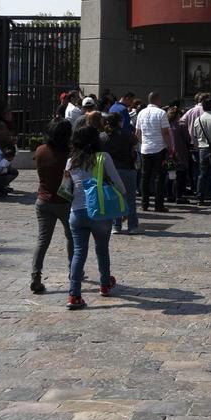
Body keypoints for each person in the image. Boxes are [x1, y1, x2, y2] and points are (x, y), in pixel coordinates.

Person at [63, 124, 122, 311]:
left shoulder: (71, 161)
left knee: (79, 252)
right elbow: (120, 185)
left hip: (76, 213)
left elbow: (66, 189)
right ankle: (105, 284)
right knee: (102, 249)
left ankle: (74, 295)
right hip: (99, 212)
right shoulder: (103, 158)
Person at [31, 119, 76, 294]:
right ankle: (73, 271)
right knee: (72, 238)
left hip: (43, 200)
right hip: (64, 201)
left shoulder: (41, 150)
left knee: (42, 241)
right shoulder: (70, 154)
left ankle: (36, 276)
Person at [102, 112, 140, 232]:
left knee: (113, 198)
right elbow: (135, 147)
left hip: (109, 171)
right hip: (127, 168)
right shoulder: (128, 134)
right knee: (130, 199)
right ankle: (132, 225)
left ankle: (116, 225)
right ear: (119, 122)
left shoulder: (102, 136)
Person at [135, 92, 171, 212]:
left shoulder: (141, 113)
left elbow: (137, 133)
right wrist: (170, 146)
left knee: (145, 177)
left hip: (145, 149)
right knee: (159, 177)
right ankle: (158, 204)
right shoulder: (161, 113)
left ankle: (144, 204)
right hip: (159, 148)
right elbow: (165, 132)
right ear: (158, 100)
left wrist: (142, 142)